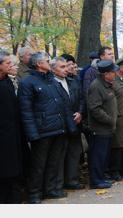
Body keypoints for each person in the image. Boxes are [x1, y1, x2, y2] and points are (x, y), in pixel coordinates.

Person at [18, 52, 77, 203]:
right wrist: (32, 133)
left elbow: (64, 106)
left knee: (54, 163)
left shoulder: (53, 80)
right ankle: (34, 194)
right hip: (41, 131)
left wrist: (70, 127)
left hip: (59, 128)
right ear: (38, 64)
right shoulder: (27, 82)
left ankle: (50, 190)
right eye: (47, 60)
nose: (50, 63)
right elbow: (26, 111)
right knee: (38, 165)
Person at [50, 57, 84, 191]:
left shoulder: (73, 81)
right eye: (62, 67)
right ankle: (58, 185)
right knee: (59, 156)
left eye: (67, 66)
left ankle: (72, 180)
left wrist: (80, 112)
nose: (67, 69)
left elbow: (81, 98)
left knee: (74, 153)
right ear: (53, 69)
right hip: (60, 125)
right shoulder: (51, 83)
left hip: (76, 123)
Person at [86, 60, 119, 189]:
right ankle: (95, 181)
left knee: (103, 155)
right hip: (100, 129)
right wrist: (110, 119)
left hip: (107, 128)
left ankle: (100, 178)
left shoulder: (106, 84)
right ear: (106, 74)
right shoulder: (96, 86)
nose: (115, 73)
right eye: (113, 72)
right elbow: (95, 109)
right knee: (98, 156)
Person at [0, 51, 25, 203]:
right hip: (2, 137)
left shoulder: (8, 82)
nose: (11, 65)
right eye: (7, 63)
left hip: (13, 134)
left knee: (14, 171)